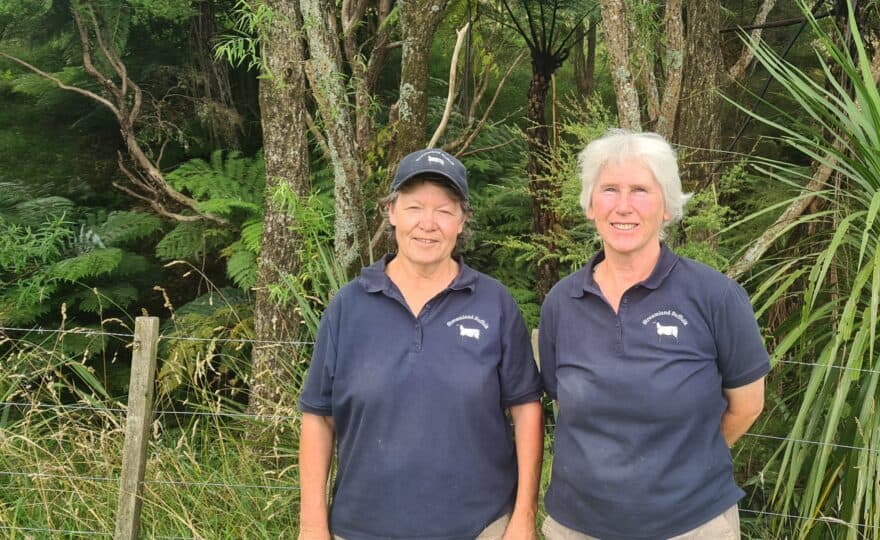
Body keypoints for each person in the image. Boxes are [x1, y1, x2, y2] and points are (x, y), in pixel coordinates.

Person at [298, 148, 543, 540]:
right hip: (360, 528)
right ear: (392, 212)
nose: (428, 224)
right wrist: (311, 527)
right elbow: (318, 417)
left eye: (445, 211)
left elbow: (527, 409)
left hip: (482, 528)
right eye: (414, 207)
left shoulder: (495, 303)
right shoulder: (348, 306)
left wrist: (524, 517)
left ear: (462, 221)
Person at [538, 130, 771, 539]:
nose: (623, 206)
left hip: (691, 526)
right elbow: (563, 402)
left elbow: (748, 405)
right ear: (591, 205)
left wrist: (684, 467)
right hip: (576, 527)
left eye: (641, 190)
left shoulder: (715, 297)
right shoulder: (562, 302)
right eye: (609, 189)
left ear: (667, 206)